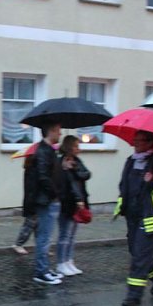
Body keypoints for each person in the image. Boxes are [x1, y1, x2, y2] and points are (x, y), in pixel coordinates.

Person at [114, 130, 153, 306]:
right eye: (135, 140)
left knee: (139, 256)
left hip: (149, 217)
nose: (136, 143)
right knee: (136, 252)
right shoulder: (130, 161)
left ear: (150, 143)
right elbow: (123, 184)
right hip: (132, 214)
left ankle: (134, 294)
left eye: (140, 141)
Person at [31, 122, 64, 285]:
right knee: (44, 238)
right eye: (58, 131)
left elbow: (51, 173)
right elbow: (43, 177)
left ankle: (44, 269)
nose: (61, 134)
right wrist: (54, 194)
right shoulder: (43, 151)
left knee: (46, 237)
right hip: (46, 200)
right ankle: (40, 272)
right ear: (50, 131)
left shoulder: (49, 150)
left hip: (49, 199)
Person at [55, 135, 90, 276]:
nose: (78, 149)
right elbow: (61, 184)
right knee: (65, 234)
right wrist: (64, 169)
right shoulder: (60, 162)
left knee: (72, 235)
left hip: (79, 202)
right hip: (67, 203)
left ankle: (69, 261)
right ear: (69, 147)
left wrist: (74, 169)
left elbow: (86, 174)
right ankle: (61, 263)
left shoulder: (77, 161)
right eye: (76, 146)